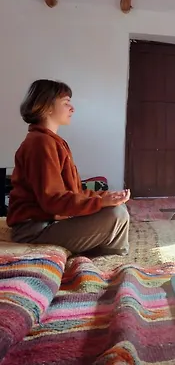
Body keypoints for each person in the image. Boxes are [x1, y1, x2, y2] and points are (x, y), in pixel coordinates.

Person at [6, 79, 130, 256]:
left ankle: (111, 254)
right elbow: (53, 200)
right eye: (66, 103)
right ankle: (111, 257)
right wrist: (100, 202)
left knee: (119, 208)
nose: (72, 108)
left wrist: (105, 197)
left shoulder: (52, 141)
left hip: (50, 222)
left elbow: (74, 192)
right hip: (34, 231)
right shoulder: (40, 143)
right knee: (116, 215)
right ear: (47, 107)